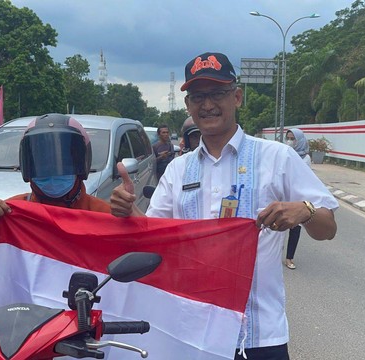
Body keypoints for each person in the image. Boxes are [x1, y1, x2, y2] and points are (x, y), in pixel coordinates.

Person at [109, 52, 338, 360]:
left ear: (237, 97)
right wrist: (128, 210)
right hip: (191, 332)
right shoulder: (179, 170)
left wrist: (306, 210)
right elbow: (153, 237)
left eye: (217, 93)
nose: (208, 105)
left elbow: (328, 229)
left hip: (259, 335)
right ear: (188, 106)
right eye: (199, 96)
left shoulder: (277, 157)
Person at [0, 114, 111, 289]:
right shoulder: (8, 213)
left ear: (82, 164)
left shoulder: (103, 215)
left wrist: (129, 218)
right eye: (42, 163)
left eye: (63, 162)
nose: (53, 172)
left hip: (83, 314)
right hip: (29, 314)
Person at [283, 128, 311, 270]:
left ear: (299, 140)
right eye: (288, 138)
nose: (289, 141)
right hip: (282, 193)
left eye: (293, 139)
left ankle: (289, 258)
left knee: (295, 227)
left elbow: (304, 178)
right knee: (276, 225)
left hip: (297, 195)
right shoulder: (282, 153)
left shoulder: (305, 158)